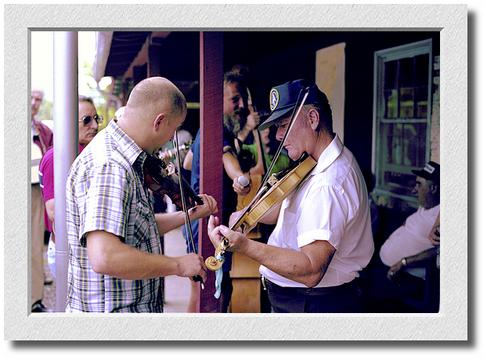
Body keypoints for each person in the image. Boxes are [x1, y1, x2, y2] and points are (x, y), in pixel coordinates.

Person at [208, 79, 374, 313]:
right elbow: (289, 210)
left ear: (313, 119)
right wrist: (245, 216)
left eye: (284, 125)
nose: (278, 135)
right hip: (303, 301)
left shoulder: (328, 183)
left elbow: (311, 269)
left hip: (313, 304)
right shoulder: (314, 162)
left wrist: (244, 246)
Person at [65, 77, 217, 312]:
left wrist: (190, 214)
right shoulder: (111, 166)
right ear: (159, 121)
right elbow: (105, 256)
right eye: (173, 130)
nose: (170, 138)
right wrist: (177, 264)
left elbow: (135, 228)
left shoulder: (127, 160)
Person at [182, 71, 252, 312]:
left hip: (197, 224)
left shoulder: (207, 129)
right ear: (218, 101)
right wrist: (239, 177)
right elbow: (228, 159)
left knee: (201, 290)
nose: (241, 105)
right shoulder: (219, 133)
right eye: (235, 99)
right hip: (208, 226)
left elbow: (188, 163)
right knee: (209, 296)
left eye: (242, 99)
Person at [39, 96, 101, 281]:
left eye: (96, 119)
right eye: (87, 120)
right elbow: (55, 212)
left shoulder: (84, 152)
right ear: (68, 122)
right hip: (70, 253)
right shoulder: (56, 157)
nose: (95, 126)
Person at [380, 161, 440, 280]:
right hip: (386, 265)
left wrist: (403, 262)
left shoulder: (441, 216)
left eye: (419, 185)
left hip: (403, 274)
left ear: (433, 189)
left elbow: (438, 251)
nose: (414, 190)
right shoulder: (424, 206)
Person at [31, 89, 53, 312]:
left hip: (34, 192)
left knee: (35, 245)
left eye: (38, 99)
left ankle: (34, 299)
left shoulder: (43, 130)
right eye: (31, 97)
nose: (34, 103)